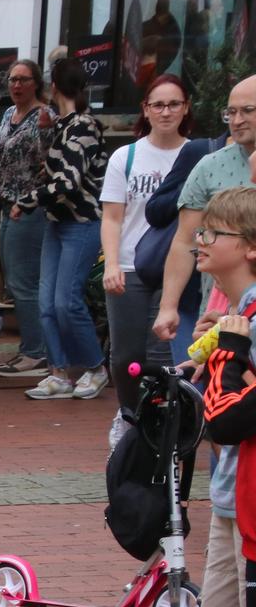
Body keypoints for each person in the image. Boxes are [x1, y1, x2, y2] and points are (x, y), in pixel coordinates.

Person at [186, 188, 256, 607]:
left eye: (216, 232)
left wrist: (226, 361)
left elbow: (230, 415)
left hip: (251, 495)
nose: (202, 241)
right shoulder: (235, 311)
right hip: (234, 496)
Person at [102, 74, 191, 418]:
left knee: (163, 353)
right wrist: (111, 264)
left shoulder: (197, 155)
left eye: (173, 104)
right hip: (129, 266)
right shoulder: (126, 157)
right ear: (146, 110)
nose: (166, 112)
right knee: (126, 356)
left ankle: (165, 423)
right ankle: (128, 416)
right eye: (158, 105)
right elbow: (112, 218)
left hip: (178, 267)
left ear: (186, 109)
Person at [19, 58, 108, 402]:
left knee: (66, 302)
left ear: (53, 87)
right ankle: (58, 372)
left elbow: (67, 181)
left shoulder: (84, 126)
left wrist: (27, 200)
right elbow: (49, 167)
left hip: (83, 222)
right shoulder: (61, 125)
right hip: (58, 222)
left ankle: (95, 368)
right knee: (46, 303)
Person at [155, 75, 256, 346]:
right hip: (219, 308)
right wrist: (168, 306)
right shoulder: (209, 166)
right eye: (231, 112)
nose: (237, 120)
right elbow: (185, 239)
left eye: (247, 111)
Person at [0, 58, 53, 378]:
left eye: (24, 80)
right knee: (12, 279)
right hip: (5, 203)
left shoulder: (45, 116)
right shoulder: (6, 114)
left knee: (23, 280)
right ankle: (29, 348)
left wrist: (28, 198)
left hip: (29, 206)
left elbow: (50, 164)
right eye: (12, 79)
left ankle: (36, 351)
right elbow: (0, 160)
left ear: (36, 83)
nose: (16, 85)